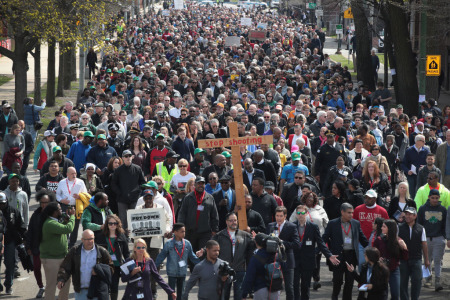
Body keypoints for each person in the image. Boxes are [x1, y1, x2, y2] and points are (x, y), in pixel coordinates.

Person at [322, 203, 369, 300]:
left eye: (352, 213)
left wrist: (373, 251)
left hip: (351, 256)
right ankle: (334, 297)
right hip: (338, 257)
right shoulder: (333, 223)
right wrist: (328, 254)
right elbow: (324, 240)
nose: (351, 215)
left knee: (350, 282)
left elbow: (363, 239)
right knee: (337, 282)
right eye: (349, 213)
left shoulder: (356, 223)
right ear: (342, 212)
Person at [292, 205, 339, 300]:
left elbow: (321, 243)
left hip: (308, 261)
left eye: (302, 213)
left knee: (305, 287)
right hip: (295, 261)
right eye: (298, 213)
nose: (300, 215)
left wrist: (329, 255)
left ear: (306, 214)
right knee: (295, 287)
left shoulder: (313, 227)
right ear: (296, 215)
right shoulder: (292, 226)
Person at [207, 212, 254, 300]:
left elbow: (254, 247)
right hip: (224, 270)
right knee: (224, 296)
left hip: (240, 269)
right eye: (231, 220)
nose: (234, 222)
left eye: (235, 220)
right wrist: (202, 250)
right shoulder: (220, 235)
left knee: (239, 296)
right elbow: (210, 245)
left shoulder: (245, 235)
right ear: (226, 222)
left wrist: (256, 240)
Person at [57, 229, 114, 300]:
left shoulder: (102, 251)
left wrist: (99, 271)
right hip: (81, 292)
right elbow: (65, 267)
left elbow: (111, 269)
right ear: (82, 240)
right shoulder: (74, 251)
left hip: (97, 290)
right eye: (87, 239)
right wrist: (61, 279)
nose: (90, 241)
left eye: (91, 239)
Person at [39, 202, 75, 300]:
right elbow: (68, 229)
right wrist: (72, 217)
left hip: (62, 257)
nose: (62, 211)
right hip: (51, 259)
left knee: (66, 282)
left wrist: (66, 221)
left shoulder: (54, 221)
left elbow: (61, 229)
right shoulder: (49, 223)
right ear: (54, 212)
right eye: (59, 209)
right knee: (51, 285)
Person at [155, 223, 200, 300]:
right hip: (172, 271)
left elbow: (192, 256)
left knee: (181, 293)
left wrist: (201, 264)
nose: (184, 233)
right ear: (175, 232)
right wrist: (154, 266)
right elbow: (161, 256)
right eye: (182, 231)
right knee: (171, 292)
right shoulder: (169, 243)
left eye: (184, 231)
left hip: (182, 272)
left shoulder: (187, 243)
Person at [266, 206, 301, 300]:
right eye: (277, 216)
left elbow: (297, 244)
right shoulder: (270, 226)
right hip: (272, 261)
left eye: (281, 216)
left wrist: (281, 242)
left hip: (287, 260)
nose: (279, 218)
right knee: (272, 286)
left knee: (289, 287)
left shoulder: (291, 226)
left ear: (285, 216)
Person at [25, 190, 55, 298]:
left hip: (50, 248)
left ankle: (49, 287)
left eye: (46, 202)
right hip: (37, 246)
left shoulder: (55, 214)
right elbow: (30, 231)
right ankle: (41, 287)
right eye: (42, 202)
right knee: (37, 267)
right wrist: (28, 246)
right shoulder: (35, 214)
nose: (44, 204)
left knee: (50, 269)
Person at [178, 176, 219, 252]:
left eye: (202, 184)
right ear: (195, 185)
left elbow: (214, 215)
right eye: (198, 183)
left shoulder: (210, 198)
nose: (200, 185)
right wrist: (181, 228)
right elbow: (182, 214)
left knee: (202, 254)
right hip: (190, 232)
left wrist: (214, 229)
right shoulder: (188, 197)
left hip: (205, 233)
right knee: (190, 254)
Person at [417, 189, 447, 291]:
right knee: (427, 259)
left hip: (438, 238)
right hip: (426, 238)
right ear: (429, 197)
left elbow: (445, 224)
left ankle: (437, 281)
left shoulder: (443, 210)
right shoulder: (422, 209)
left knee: (438, 260)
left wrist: (444, 236)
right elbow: (419, 224)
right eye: (432, 198)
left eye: (436, 198)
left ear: (439, 198)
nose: (434, 200)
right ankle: (428, 278)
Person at [398, 207, 430, 300]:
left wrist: (426, 259)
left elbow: (424, 244)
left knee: (417, 280)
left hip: (416, 258)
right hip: (403, 259)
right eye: (406, 214)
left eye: (410, 214)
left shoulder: (421, 228)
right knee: (402, 282)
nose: (407, 216)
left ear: (415, 216)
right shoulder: (399, 227)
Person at [97, 215, 130, 300]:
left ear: (117, 224)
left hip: (116, 266)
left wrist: (129, 264)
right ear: (107, 225)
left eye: (114, 223)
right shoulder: (101, 236)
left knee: (114, 287)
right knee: (105, 287)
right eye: (110, 223)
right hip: (104, 266)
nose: (112, 225)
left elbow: (126, 253)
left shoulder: (122, 236)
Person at [374, 219, 408, 300]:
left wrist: (404, 248)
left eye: (384, 226)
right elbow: (373, 254)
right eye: (382, 226)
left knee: (395, 295)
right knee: (382, 295)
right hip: (381, 270)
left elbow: (405, 258)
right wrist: (378, 258)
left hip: (394, 270)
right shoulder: (379, 240)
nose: (381, 228)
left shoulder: (398, 241)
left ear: (390, 228)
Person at [111, 150, 146, 230]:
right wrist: (119, 193)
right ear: (122, 158)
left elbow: (143, 182)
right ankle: (124, 238)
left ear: (132, 157)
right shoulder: (118, 170)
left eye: (129, 156)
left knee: (134, 218)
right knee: (123, 220)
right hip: (122, 199)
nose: (128, 158)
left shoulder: (137, 168)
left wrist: (137, 191)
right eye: (126, 156)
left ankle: (134, 238)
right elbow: (113, 184)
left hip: (134, 199)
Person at [353, 189, 389, 268]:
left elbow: (387, 226)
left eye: (369, 198)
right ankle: (362, 280)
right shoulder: (358, 209)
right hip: (361, 242)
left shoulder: (382, 211)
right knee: (362, 264)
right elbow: (353, 225)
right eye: (366, 197)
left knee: (376, 265)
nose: (367, 200)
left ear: (375, 199)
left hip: (377, 243)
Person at [55, 166, 88, 247]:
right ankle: (65, 242)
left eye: (75, 173)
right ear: (67, 174)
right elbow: (57, 194)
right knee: (64, 224)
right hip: (65, 206)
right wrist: (61, 200)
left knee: (75, 226)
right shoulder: (62, 182)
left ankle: (72, 244)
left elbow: (86, 194)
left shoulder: (80, 182)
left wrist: (80, 196)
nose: (74, 175)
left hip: (76, 206)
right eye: (72, 173)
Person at [240, 233, 279, 300]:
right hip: (275, 288)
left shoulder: (255, 258)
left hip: (260, 288)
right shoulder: (275, 254)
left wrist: (244, 294)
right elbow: (284, 266)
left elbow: (249, 277)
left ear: (256, 243)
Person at [0, 191, 25, 295]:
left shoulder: (14, 211)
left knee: (10, 264)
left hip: (10, 242)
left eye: (2, 203)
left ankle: (8, 285)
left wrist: (24, 238)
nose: (1, 206)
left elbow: (21, 226)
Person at [401, 134, 429, 198]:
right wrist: (408, 171)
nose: (424, 142)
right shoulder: (409, 151)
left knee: (422, 193)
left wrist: (424, 166)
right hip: (412, 176)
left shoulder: (426, 151)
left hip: (423, 175)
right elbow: (403, 164)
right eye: (423, 141)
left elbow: (430, 162)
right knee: (412, 194)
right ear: (417, 141)